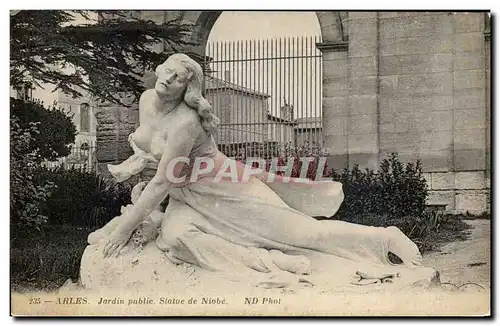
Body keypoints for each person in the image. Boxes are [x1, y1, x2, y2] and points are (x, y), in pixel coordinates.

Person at [88, 53, 433, 289]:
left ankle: (384, 237)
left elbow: (164, 178)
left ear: (187, 89)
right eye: (167, 71)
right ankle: (262, 264)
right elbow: (152, 148)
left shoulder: (186, 123)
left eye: (179, 78)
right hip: (186, 196)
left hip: (225, 190)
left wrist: (124, 229)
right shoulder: (147, 100)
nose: (168, 79)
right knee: (176, 238)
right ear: (159, 70)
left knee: (304, 234)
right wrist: (136, 162)